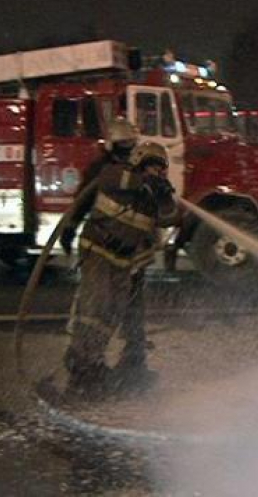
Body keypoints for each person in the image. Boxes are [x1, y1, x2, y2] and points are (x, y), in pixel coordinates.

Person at [60, 119, 177, 397]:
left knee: (125, 314)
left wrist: (163, 193)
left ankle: (128, 364)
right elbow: (107, 185)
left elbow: (170, 217)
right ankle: (82, 364)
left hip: (130, 262)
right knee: (96, 308)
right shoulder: (110, 173)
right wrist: (69, 227)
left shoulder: (154, 190)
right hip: (100, 252)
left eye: (160, 168)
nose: (156, 172)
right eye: (123, 147)